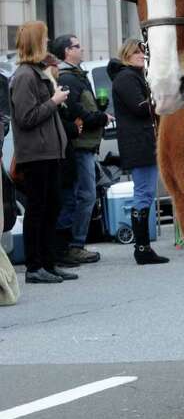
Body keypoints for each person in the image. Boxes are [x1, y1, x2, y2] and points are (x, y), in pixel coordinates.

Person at [10, 21, 74, 284]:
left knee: (51, 206)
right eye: (44, 39)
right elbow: (26, 117)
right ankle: (35, 266)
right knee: (38, 209)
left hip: (48, 151)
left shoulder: (37, 72)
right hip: (36, 153)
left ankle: (48, 262)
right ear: (36, 42)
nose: (48, 42)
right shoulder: (25, 76)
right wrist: (53, 101)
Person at [49, 34, 109, 266]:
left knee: (82, 195)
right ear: (66, 51)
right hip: (80, 145)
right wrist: (99, 117)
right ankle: (75, 245)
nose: (81, 49)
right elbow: (75, 112)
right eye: (76, 46)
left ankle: (75, 244)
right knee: (84, 195)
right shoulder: (68, 78)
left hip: (86, 144)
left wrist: (97, 114)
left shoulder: (77, 74)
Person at [108, 40, 167, 264]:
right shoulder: (126, 78)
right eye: (137, 53)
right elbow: (140, 108)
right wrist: (160, 97)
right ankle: (142, 248)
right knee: (143, 194)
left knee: (146, 193)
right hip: (138, 143)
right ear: (127, 55)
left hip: (142, 142)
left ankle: (143, 247)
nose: (142, 56)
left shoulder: (134, 76)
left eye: (143, 52)